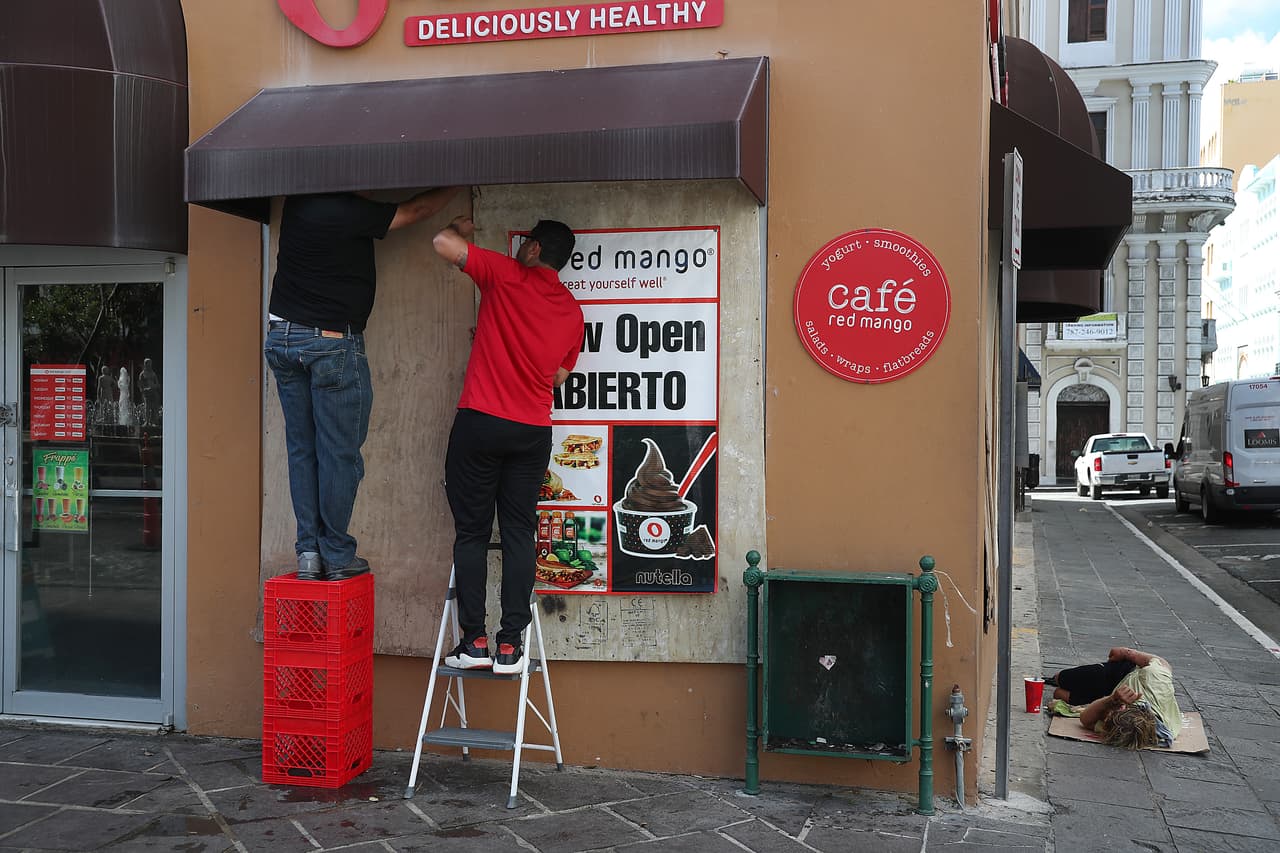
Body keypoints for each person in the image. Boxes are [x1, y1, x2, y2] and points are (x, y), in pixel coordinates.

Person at [265, 188, 460, 581]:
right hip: (331, 343)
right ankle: (336, 554)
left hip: (281, 336)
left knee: (303, 449)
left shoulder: (299, 201)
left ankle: (308, 553)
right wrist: (459, 184)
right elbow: (415, 209)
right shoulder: (346, 209)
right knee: (339, 453)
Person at [432, 215, 584, 675]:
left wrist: (461, 227)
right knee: (519, 532)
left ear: (534, 249)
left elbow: (441, 241)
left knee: (473, 533)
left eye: (525, 244)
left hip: (480, 422)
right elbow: (559, 376)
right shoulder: (572, 311)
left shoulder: (504, 273)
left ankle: (473, 641)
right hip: (532, 430)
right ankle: (509, 647)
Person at [1049, 646, 1183, 749]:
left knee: (1059, 694)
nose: (1106, 717)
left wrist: (1110, 700)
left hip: (1111, 695)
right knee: (1061, 678)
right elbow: (1162, 663)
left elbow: (1086, 720)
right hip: (1127, 672)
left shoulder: (1125, 729)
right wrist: (1127, 653)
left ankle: (1097, 697)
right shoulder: (1155, 680)